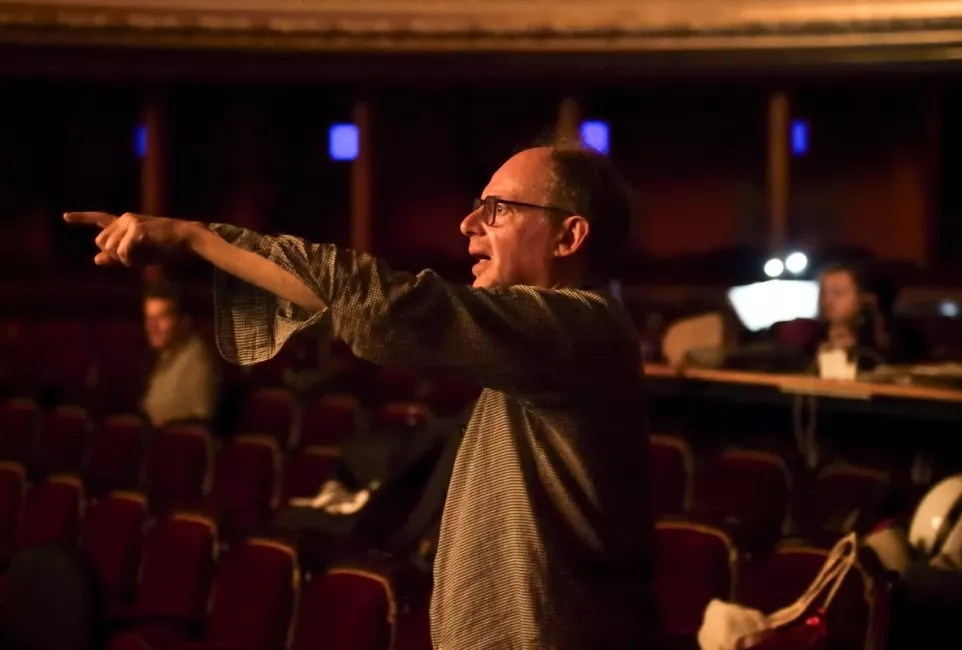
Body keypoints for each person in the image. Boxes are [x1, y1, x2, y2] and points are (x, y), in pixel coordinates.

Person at [64, 143, 658, 650]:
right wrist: (200, 244)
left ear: (568, 236)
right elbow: (349, 306)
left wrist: (196, 237)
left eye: (497, 209)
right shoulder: (548, 336)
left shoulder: (580, 328)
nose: (468, 224)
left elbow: (387, 307)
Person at [141, 282, 218, 428]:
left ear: (184, 321)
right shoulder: (162, 355)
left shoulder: (198, 363)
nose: (152, 326)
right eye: (149, 318)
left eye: (162, 318)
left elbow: (197, 424)